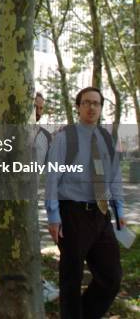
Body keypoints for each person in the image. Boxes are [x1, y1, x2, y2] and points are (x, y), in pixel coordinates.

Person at [46, 87, 125, 319]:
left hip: (101, 213)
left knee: (111, 277)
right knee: (71, 279)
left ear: (101, 108)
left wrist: (119, 208)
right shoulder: (65, 137)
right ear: (78, 107)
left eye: (97, 103)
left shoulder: (108, 138)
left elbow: (115, 176)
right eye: (87, 103)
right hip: (72, 213)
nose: (92, 107)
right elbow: (52, 178)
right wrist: (53, 215)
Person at [0, 92, 59, 303]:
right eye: (35, 107)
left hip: (30, 192)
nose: (39, 112)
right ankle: (35, 281)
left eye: (42, 108)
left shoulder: (44, 136)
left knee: (10, 235)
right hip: (10, 191)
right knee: (23, 236)